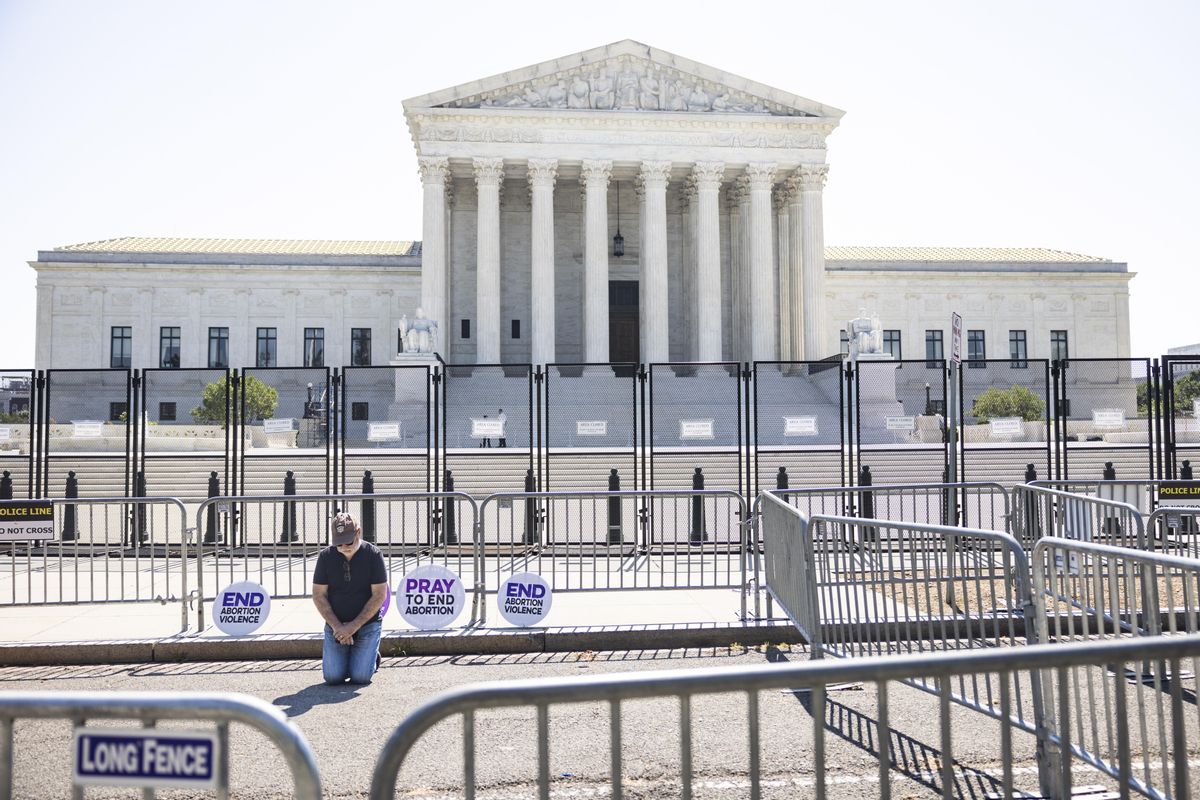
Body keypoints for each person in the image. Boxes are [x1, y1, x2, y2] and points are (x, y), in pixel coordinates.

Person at [312, 512, 387, 685]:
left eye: (349, 541)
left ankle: (371, 656)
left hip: (367, 624)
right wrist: (338, 627)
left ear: (358, 532)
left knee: (360, 677)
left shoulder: (374, 555)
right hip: (336, 626)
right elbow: (318, 594)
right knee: (333, 677)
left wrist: (353, 626)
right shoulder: (325, 556)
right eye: (339, 543)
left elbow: (379, 595)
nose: (344, 546)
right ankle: (353, 654)